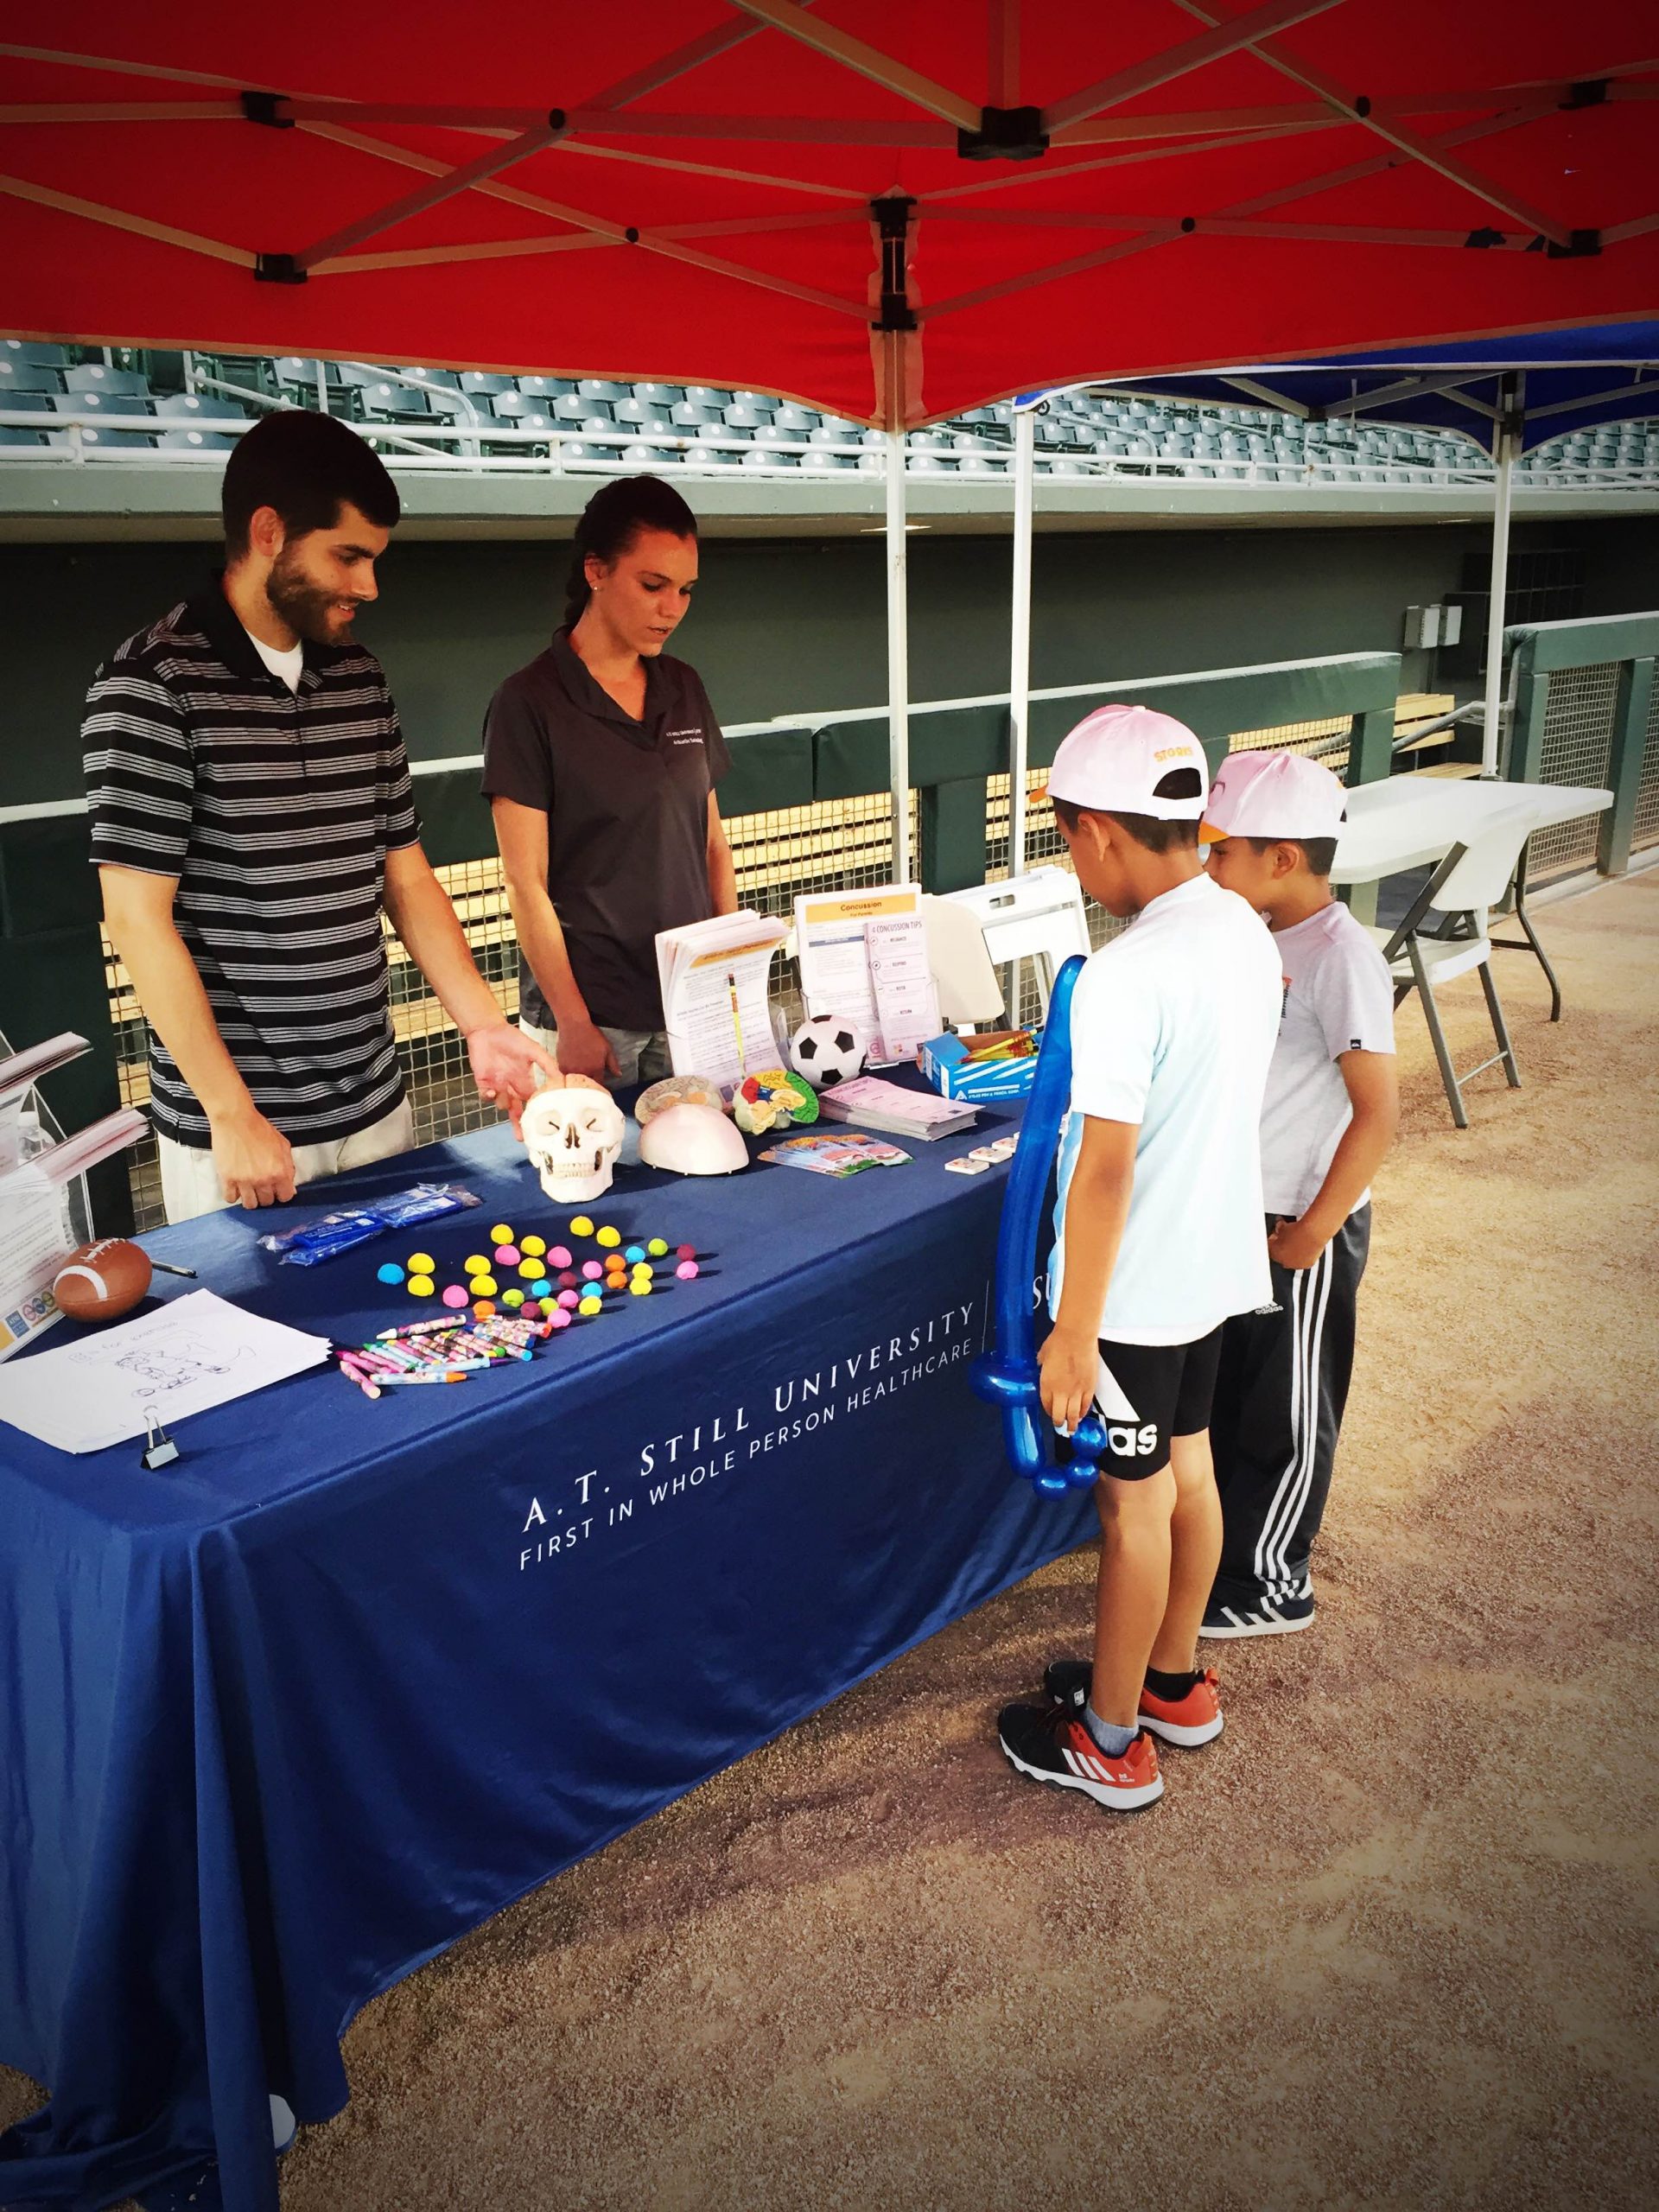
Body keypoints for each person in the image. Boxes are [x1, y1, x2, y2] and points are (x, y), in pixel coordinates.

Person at [85, 410, 558, 1224]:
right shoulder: (149, 683)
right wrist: (231, 1115)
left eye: (374, 559)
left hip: (378, 1107)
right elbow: (136, 922)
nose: (369, 586)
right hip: (244, 1135)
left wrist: (483, 1024)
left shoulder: (359, 675)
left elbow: (403, 872)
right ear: (269, 532)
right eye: (348, 556)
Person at [995, 706, 1282, 1814]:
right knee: (1190, 1472)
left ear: (1100, 836)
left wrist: (1074, 1328)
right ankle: (1171, 1682)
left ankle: (1111, 1740)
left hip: (1136, 1292)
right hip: (1212, 1268)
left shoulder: (1126, 976)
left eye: (1066, 836)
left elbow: (1103, 1170)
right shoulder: (1242, 927)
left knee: (1132, 1506)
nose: (1073, 858)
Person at [1199, 749, 1399, 1637]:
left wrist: (1315, 1229)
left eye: (1221, 851)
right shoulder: (1241, 932)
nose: (1207, 867)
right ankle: (1216, 1553)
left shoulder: (1341, 954)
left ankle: (1269, 1583)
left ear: (1281, 858)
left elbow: (1378, 1112)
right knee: (1225, 1394)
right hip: (1237, 1213)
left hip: (1297, 1227)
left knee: (1284, 1410)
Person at [483, 475, 738, 1090]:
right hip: (592, 1016)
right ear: (595, 571)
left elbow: (711, 846)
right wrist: (573, 1020)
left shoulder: (685, 686)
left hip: (685, 1003)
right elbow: (526, 884)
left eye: (685, 590)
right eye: (652, 586)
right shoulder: (528, 703)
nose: (671, 607)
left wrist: (730, 971)